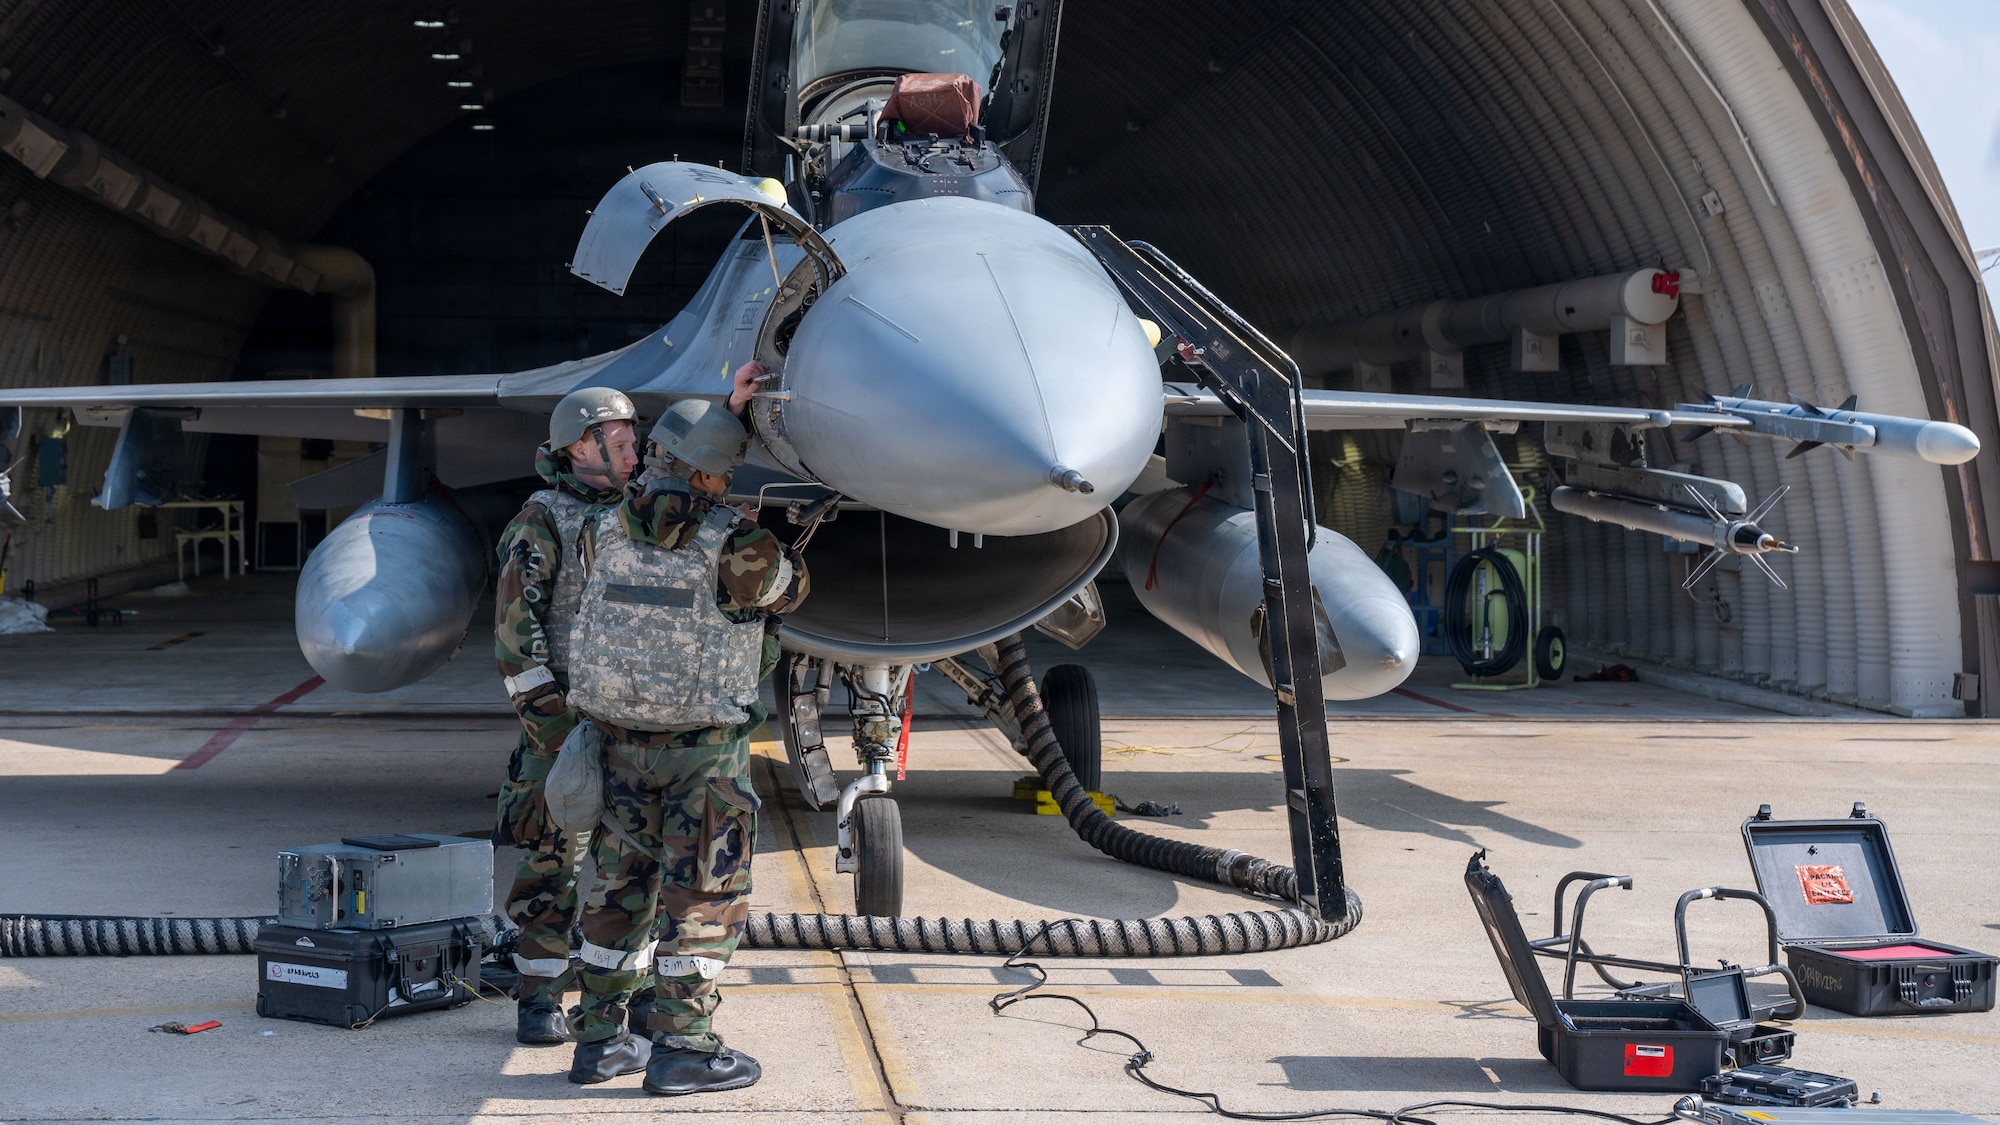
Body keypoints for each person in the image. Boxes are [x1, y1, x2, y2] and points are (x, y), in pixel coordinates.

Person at [562, 368, 808, 1096]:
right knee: (705, 896)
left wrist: (722, 415)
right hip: (703, 758)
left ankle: (600, 1044)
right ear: (712, 472)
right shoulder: (738, 544)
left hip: (617, 746)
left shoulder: (598, 527)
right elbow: (790, 592)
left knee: (616, 892)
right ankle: (683, 1048)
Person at [492, 386, 640, 1046]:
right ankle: (538, 995)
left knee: (628, 875)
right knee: (551, 867)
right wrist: (558, 736)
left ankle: (612, 1004)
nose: (635, 450)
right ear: (581, 445)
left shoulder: (643, 512)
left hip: (634, 729)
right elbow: (515, 639)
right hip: (565, 731)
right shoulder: (541, 521)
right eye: (622, 439)